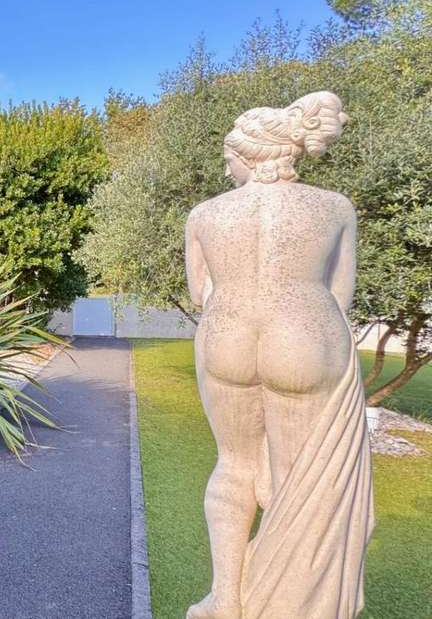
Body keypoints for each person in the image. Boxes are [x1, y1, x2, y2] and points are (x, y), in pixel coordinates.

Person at [184, 91, 374, 619]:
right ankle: (294, 603)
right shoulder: (335, 208)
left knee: (234, 463)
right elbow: (341, 294)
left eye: (228, 160)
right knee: (303, 480)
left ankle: (226, 599)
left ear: (247, 155)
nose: (226, 170)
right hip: (306, 337)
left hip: (228, 338)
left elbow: (201, 294)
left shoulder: (205, 215)